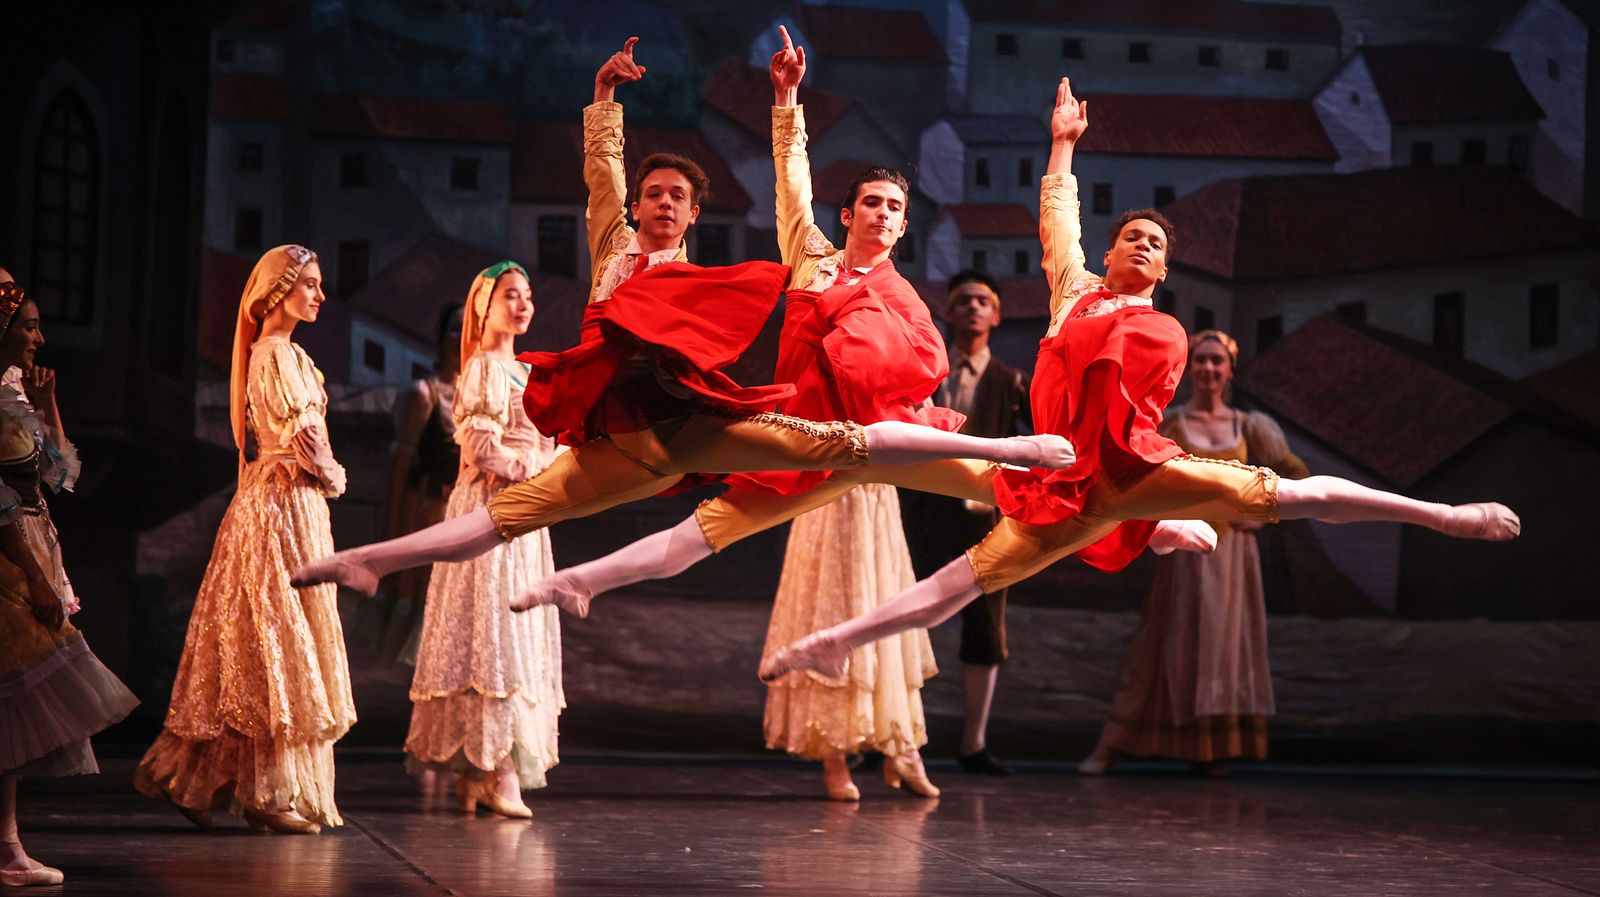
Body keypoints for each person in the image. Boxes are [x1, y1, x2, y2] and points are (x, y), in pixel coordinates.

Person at [758, 77, 1519, 686]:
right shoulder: (1073, 292)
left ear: (1163, 265)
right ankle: (832, 641)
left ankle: (1443, 515)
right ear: (1115, 250)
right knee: (956, 585)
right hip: (1057, 485)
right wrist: (1062, 146)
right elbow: (1059, 223)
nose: (1142, 245)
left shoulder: (1158, 326)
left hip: (1133, 470)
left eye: (1155, 242)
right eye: (1132, 236)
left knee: (1291, 494)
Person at [289, 42, 1075, 600]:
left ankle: (1050, 474)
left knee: (851, 449)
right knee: (511, 515)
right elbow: (635, 180)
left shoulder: (697, 281)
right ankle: (372, 561)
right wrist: (607, 103)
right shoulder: (623, 251)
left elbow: (800, 234)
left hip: (697, 424)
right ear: (638, 207)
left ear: (694, 216)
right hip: (620, 431)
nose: (661, 205)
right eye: (652, 195)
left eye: (677, 198)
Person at [752, 27, 948, 801]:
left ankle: (899, 740)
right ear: (849, 212)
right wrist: (787, 101)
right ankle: (835, 750)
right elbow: (789, 185)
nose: (882, 212)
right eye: (871, 201)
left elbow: (916, 369)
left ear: (903, 224)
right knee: (833, 596)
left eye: (895, 206)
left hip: (873, 468)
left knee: (883, 599)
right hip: (815, 455)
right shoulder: (814, 259)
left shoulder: (904, 294)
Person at [135, 245, 353, 834]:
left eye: (320, 284)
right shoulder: (276, 358)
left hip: (290, 507)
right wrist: (333, 476)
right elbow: (309, 447)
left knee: (265, 645)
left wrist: (323, 475)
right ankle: (262, 792)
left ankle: (217, 783)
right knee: (273, 644)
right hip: (281, 507)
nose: (319, 295)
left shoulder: (291, 356)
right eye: (309, 283)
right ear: (277, 292)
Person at [1079, 328, 1308, 777]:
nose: (1207, 368)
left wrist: (1261, 517)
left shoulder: (1250, 426)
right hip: (1185, 551)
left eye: (1216, 361)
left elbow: (1296, 477)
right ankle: (1113, 745)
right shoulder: (1173, 424)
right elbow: (1136, 472)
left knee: (1224, 647)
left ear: (1229, 370)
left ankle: (1210, 751)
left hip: (1235, 556)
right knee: (1168, 644)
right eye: (1200, 360)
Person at [404, 261, 564, 818]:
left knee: (511, 638)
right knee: (493, 637)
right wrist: (538, 467)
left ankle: (483, 771)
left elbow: (545, 441)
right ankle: (497, 772)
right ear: (484, 306)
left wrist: (558, 462)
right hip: (492, 510)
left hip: (523, 516)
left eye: (527, 296)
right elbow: (479, 450)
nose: (522, 306)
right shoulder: (484, 371)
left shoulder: (523, 370)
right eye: (510, 296)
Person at [0, 280, 138, 887]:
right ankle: (6, 848)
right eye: (27, 326)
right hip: (9, 563)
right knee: (11, 707)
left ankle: (8, 844)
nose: (40, 337)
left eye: (38, 325)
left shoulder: (12, 393)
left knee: (12, 714)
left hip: (31, 550)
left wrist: (47, 403)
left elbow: (63, 476)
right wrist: (33, 576)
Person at [899, 271, 1030, 776]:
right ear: (949, 314)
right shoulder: (927, 375)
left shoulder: (1011, 381)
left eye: (983, 301)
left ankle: (973, 743)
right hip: (924, 514)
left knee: (984, 629)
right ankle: (896, 735)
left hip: (984, 521)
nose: (973, 309)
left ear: (996, 315)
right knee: (906, 618)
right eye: (963, 302)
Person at [374, 301, 464, 665]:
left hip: (468, 515)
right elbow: (401, 468)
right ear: (442, 336)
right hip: (430, 513)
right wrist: (393, 543)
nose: (462, 336)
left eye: (470, 326)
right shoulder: (424, 394)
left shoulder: (484, 392)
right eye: (455, 327)